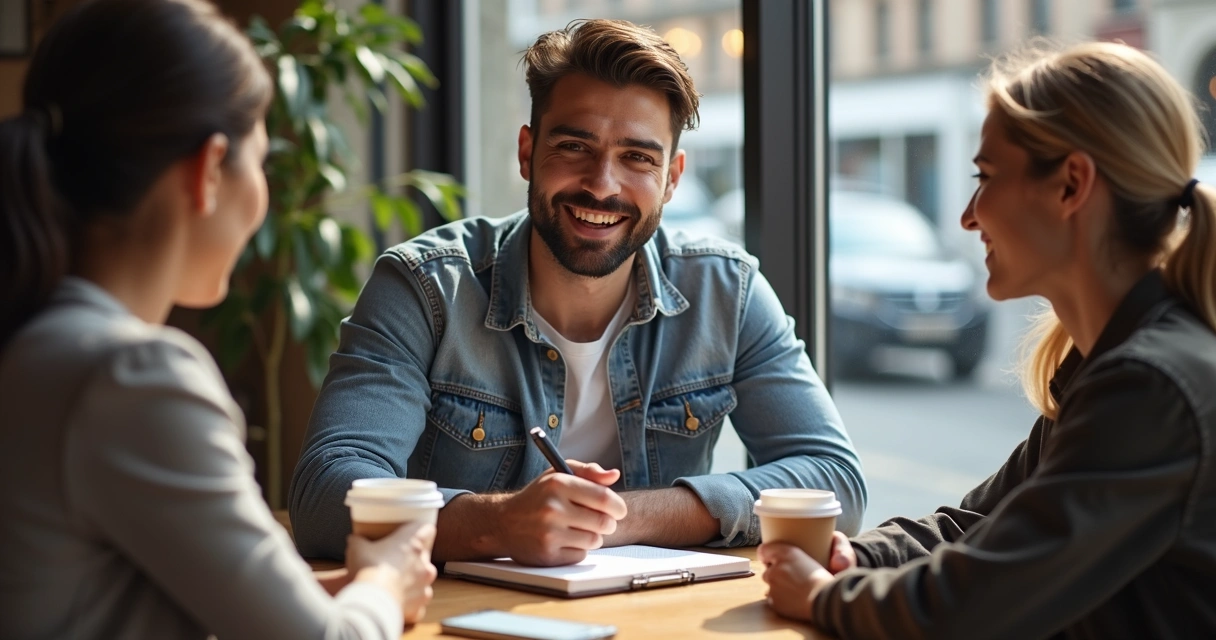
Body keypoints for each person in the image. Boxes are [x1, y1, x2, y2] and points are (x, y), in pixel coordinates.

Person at [290, 18, 866, 565]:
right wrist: (498, 523)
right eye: (574, 147)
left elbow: (834, 479)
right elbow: (325, 493)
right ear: (526, 152)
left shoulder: (726, 291)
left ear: (672, 178)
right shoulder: (425, 286)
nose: (602, 184)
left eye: (637, 157)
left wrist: (623, 518)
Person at [0, 1, 436, 638]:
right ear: (207, 171)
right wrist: (383, 583)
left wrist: (327, 597)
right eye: (259, 162)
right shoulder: (132, 378)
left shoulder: (38, 348)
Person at [759, 41, 1216, 638]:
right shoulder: (1107, 361)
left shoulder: (1149, 384)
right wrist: (860, 556)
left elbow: (974, 605)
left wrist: (825, 597)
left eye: (987, 177)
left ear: (1071, 184)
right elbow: (980, 522)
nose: (968, 216)